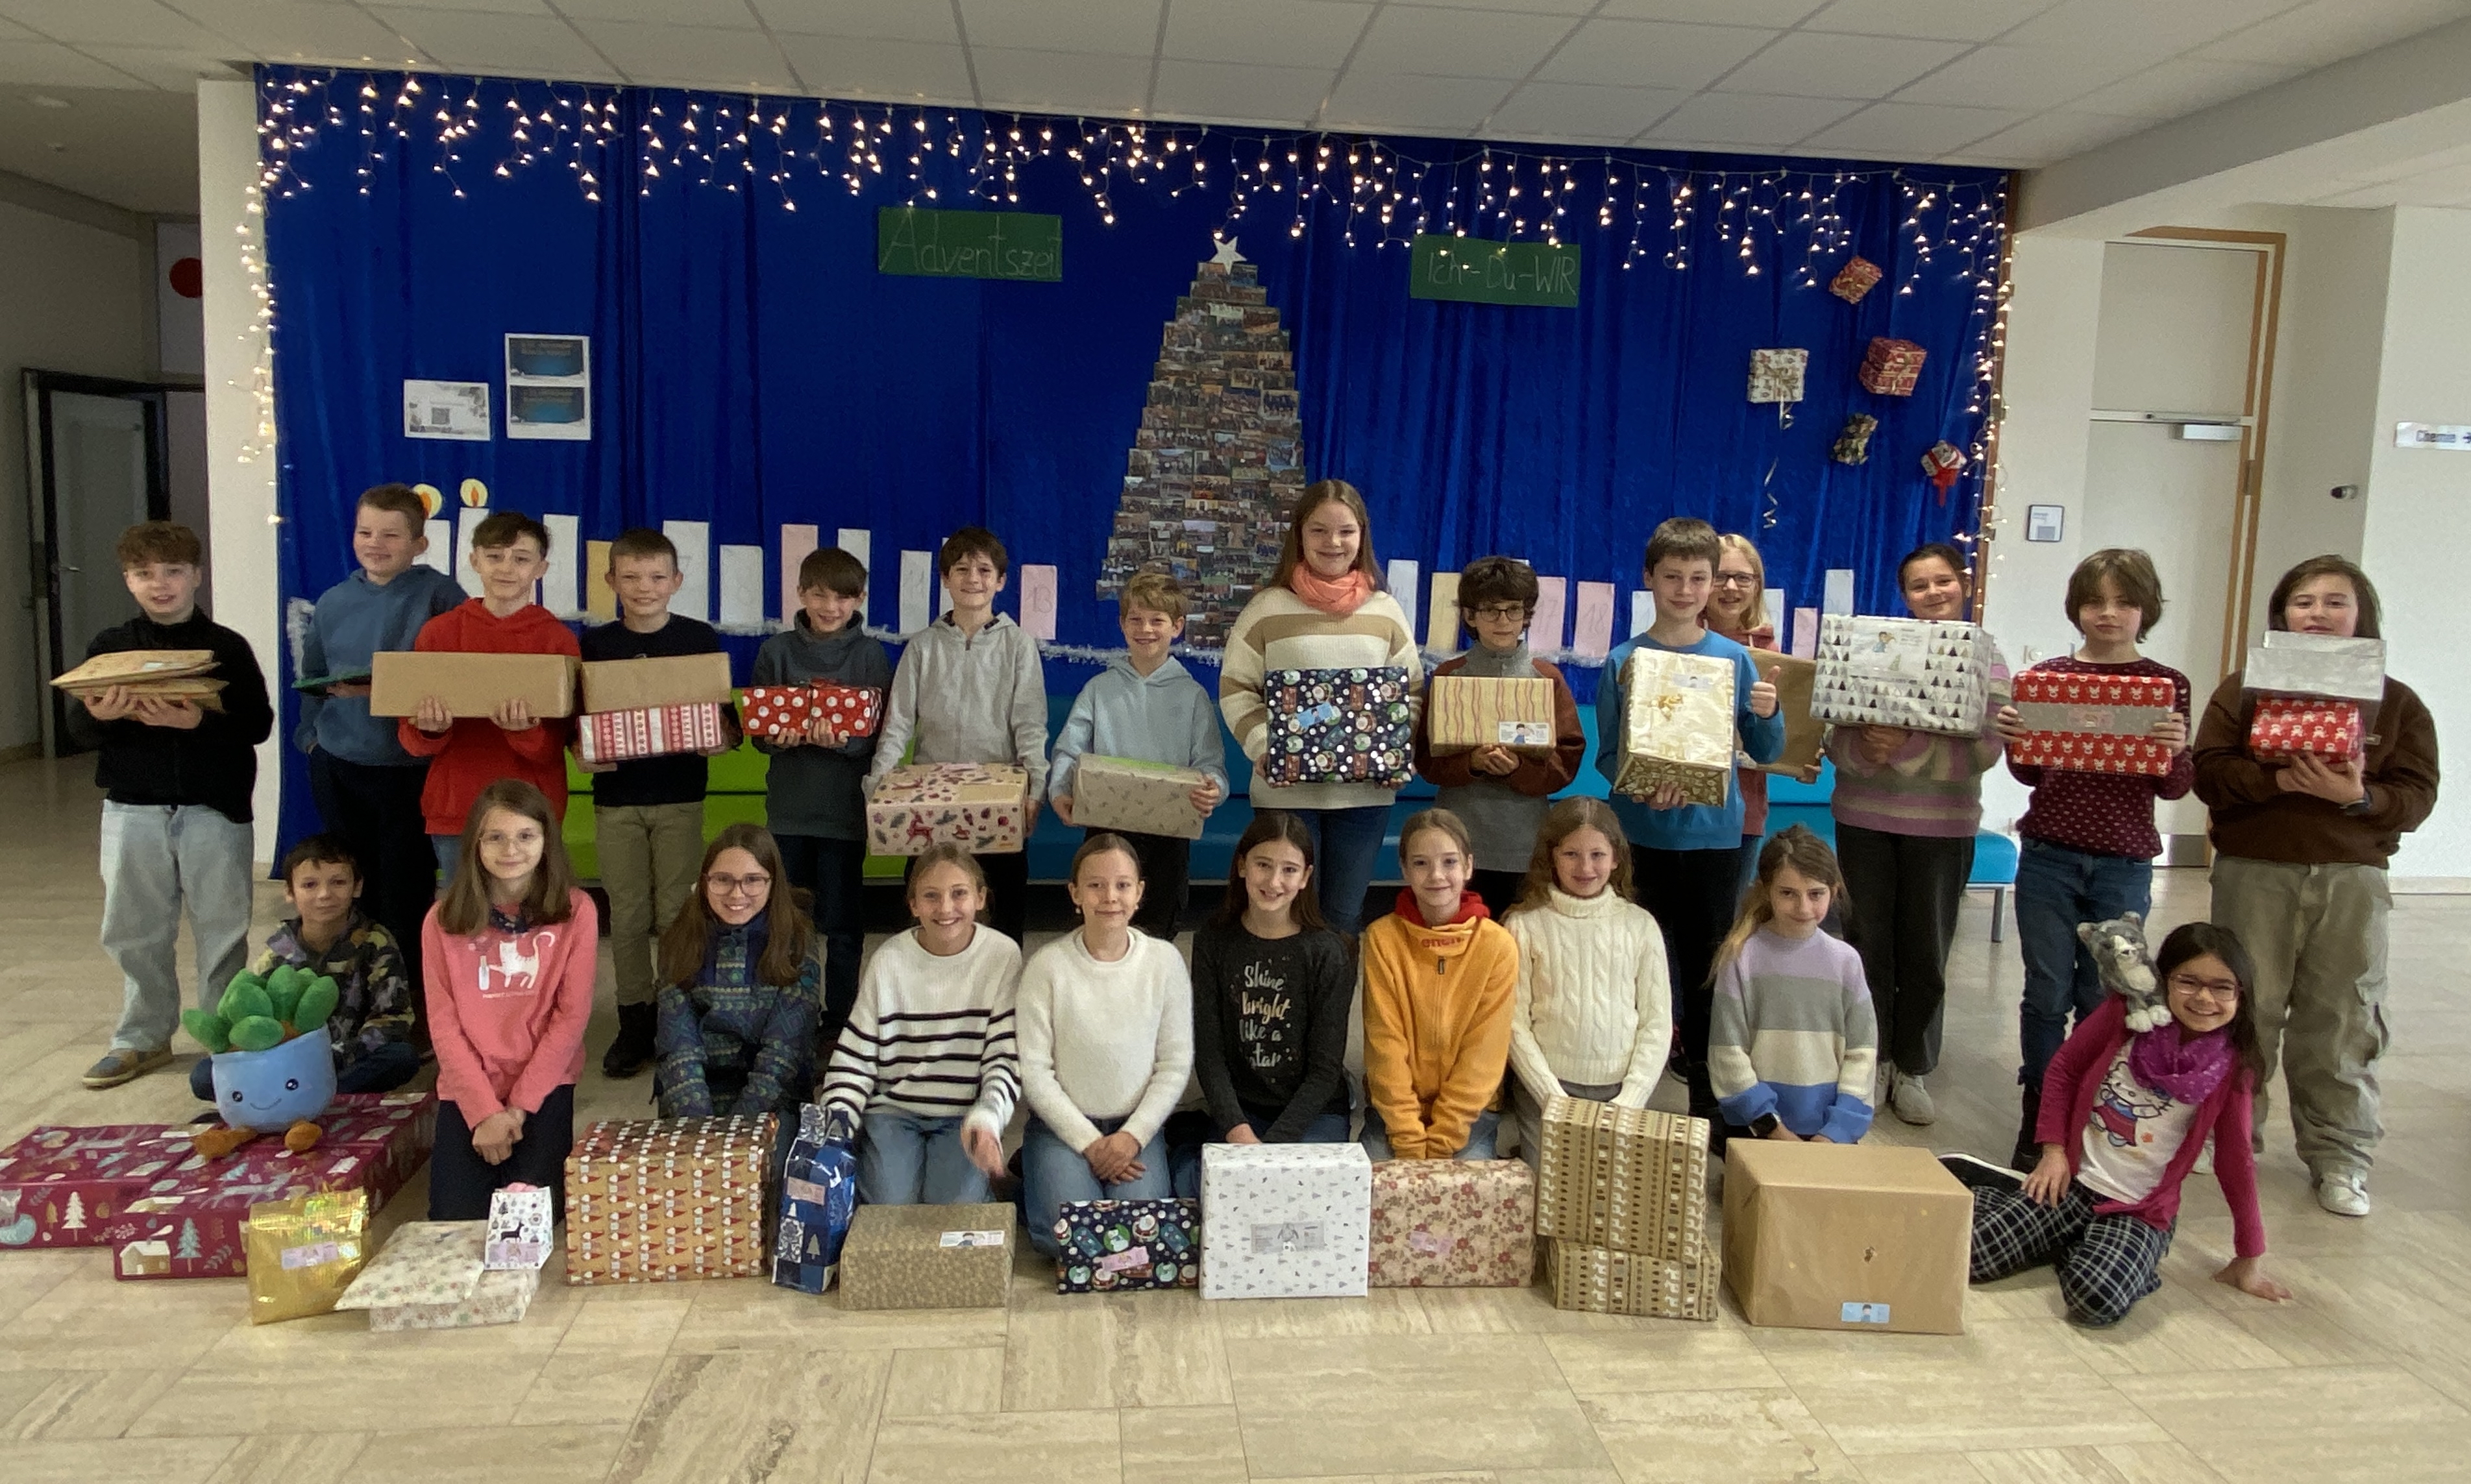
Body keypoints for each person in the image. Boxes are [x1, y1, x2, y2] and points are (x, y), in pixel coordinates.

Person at [2192, 555, 2439, 1217]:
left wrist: (2359, 796)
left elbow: (2418, 795)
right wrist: (2276, 781)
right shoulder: (2244, 690)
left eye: (2335, 602)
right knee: (2245, 1008)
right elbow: (2207, 772)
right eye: (2303, 602)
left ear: (2362, 616)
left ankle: (2339, 1156)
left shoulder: (2397, 700)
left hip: (2352, 878)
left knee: (2343, 1017)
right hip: (2255, 869)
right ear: (2282, 615)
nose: (2318, 614)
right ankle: (2230, 1135)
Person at [1967, 922, 2291, 1328]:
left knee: (2096, 1300)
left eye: (2222, 987)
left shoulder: (2233, 1068)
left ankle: (2079, 1243)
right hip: (2070, 1181)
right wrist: (2052, 1151)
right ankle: (2016, 1204)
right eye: (2188, 982)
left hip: (2137, 1211)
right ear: (2162, 979)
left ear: (2241, 995)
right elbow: (2064, 1070)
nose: (2204, 998)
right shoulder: (2127, 1015)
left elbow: (2235, 1159)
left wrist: (2249, 1254)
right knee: (1969, 1255)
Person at [1991, 548, 2194, 1170]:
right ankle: (2039, 1118)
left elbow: (2173, 786)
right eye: (2094, 601)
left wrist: (2175, 749)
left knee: (2105, 995)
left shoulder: (2165, 684)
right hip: (2048, 856)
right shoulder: (2047, 677)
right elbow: (2031, 773)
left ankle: (2088, 1114)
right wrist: (2015, 740)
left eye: (2124, 602)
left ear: (2146, 609)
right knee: (2045, 991)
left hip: (2123, 863)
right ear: (2075, 607)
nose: (2108, 613)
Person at [1595, 517, 1784, 1128]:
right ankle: (1627, 1092)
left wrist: (1768, 712)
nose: (1684, 590)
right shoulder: (1623, 660)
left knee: (1708, 969)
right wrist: (1641, 788)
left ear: (1711, 583)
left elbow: (1767, 747)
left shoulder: (1733, 658)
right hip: (1639, 837)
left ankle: (1709, 1099)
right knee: (1638, 966)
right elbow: (1607, 755)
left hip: (1714, 839)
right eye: (1672, 576)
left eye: (1697, 578)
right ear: (1648, 578)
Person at [72, 520, 275, 1089]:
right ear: (128, 580)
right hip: (133, 807)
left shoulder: (226, 647)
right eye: (145, 574)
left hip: (214, 808)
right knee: (132, 928)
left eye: (173, 572)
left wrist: (199, 723)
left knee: (222, 928)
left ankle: (223, 1034)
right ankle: (142, 1036)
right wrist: (100, 716)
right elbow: (77, 728)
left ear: (196, 576)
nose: (160, 584)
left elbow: (258, 724)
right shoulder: (109, 647)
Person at [1825, 541, 2010, 1128]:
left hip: (1942, 824)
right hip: (1863, 818)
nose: (1932, 593)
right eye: (1918, 585)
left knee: (1926, 950)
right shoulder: (1870, 648)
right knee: (1865, 944)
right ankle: (1871, 1058)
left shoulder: (1987, 658)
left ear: (1963, 584)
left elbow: (1987, 747)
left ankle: (1913, 1065)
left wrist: (1904, 749)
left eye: (1942, 581)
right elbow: (1832, 730)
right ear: (1903, 595)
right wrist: (1865, 748)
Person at [1219, 480, 1424, 936]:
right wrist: (1265, 746)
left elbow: (1410, 693)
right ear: (1300, 534)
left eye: (1346, 531)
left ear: (1362, 536)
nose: (1333, 542)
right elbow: (1236, 689)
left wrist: (1392, 748)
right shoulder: (1266, 609)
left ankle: (1334, 989)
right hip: (1285, 794)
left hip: (1365, 796)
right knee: (1286, 915)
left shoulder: (1386, 611)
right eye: (1319, 530)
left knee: (1343, 918)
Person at [293, 482, 465, 995]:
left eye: (391, 534)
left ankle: (407, 1001)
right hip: (340, 764)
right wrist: (311, 739)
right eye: (365, 532)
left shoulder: (441, 595)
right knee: (351, 886)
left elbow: (456, 675)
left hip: (410, 770)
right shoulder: (333, 600)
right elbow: (313, 676)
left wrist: (389, 690)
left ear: (419, 543)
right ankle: (354, 995)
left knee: (405, 892)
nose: (375, 543)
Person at [583, 528, 739, 1079]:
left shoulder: (698, 638)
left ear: (676, 581)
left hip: (680, 796)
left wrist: (720, 739)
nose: (643, 587)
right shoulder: (595, 645)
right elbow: (579, 723)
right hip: (616, 799)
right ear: (611, 581)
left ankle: (678, 1014)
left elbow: (727, 725)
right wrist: (582, 751)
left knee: (678, 910)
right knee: (627, 913)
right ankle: (634, 1018)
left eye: (655, 576)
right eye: (630, 576)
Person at [421, 780, 596, 1221]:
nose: (510, 849)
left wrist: (517, 1109)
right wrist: (484, 1113)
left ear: (546, 841)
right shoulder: (442, 920)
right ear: (475, 845)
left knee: (532, 1217)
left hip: (543, 1083)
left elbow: (570, 1018)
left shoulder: (577, 910)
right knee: (454, 1218)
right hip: (470, 1085)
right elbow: (444, 1026)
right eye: (495, 837)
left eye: (525, 836)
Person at [867, 526, 1048, 942]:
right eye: (962, 569)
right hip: (929, 805)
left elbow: (1030, 725)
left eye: (984, 570)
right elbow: (897, 725)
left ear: (1001, 581)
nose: (973, 579)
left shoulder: (1018, 646)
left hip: (997, 803)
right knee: (931, 917)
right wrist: (877, 787)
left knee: (1002, 921)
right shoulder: (922, 647)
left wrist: (1035, 789)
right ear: (945, 579)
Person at [1015, 834, 1192, 1256]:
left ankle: (1060, 1175)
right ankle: (1034, 1173)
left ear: (1139, 892)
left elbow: (1174, 1063)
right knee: (1068, 1241)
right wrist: (1090, 1144)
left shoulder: (1164, 961)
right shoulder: (1047, 966)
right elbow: (1035, 1072)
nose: (1110, 897)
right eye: (1095, 885)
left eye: (1122, 885)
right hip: (1063, 1129)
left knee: (1138, 1236)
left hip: (1135, 1129)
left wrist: (1133, 1136)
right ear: (1075, 893)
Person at [818, 845, 1021, 1205]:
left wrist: (989, 1117)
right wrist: (837, 1126)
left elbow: (1004, 1056)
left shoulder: (1002, 955)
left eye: (959, 894)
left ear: (980, 898)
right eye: (931, 896)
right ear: (913, 905)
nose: (945, 908)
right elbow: (856, 1056)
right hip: (894, 1111)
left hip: (963, 1114)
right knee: (888, 1208)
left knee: (952, 1213)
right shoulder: (889, 960)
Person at [752, 545, 891, 1051]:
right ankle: (789, 1016)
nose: (830, 606)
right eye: (818, 595)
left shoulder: (870, 656)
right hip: (788, 814)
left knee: (844, 925)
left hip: (843, 816)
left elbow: (879, 734)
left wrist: (844, 743)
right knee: (788, 922)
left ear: (860, 599)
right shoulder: (776, 652)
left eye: (842, 597)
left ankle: (840, 1021)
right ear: (800, 593)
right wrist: (778, 739)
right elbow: (759, 729)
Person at [399, 511, 582, 879]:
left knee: (531, 910)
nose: (506, 568)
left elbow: (558, 743)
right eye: (495, 556)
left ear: (541, 568)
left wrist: (524, 732)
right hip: (457, 808)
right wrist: (431, 729)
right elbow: (411, 739)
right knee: (464, 910)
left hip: (531, 810)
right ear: (474, 560)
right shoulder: (439, 634)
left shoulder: (558, 641)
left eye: (521, 558)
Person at [1048, 570, 1229, 939]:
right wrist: (1060, 790)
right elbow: (1070, 748)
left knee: (1159, 927)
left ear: (1177, 626)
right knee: (1102, 922)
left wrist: (1214, 788)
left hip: (1169, 834)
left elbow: (1211, 764)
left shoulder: (1193, 696)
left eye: (1157, 620)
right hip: (1106, 827)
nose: (1145, 629)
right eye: (1136, 619)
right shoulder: (1099, 690)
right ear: (1122, 624)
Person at [1410, 556, 1586, 919]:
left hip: (1523, 838)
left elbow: (1568, 758)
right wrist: (1471, 763)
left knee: (1518, 936)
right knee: (1458, 933)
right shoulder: (1448, 676)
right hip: (1458, 836)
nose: (1503, 621)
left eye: (1513, 610)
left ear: (1527, 615)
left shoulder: (1546, 678)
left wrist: (1518, 769)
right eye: (1491, 610)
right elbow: (1425, 758)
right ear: (1470, 616)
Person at [189, 834, 419, 1105]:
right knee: (203, 1075)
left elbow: (393, 1018)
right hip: (284, 1060)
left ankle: (300, 1099)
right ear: (290, 892)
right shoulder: (279, 949)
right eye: (310, 885)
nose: (324, 895)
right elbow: (254, 1013)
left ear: (357, 887)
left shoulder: (376, 942)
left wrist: (335, 1054)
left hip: (344, 1059)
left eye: (338, 883)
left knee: (401, 1057)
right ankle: (303, 1097)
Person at [1501, 797, 1671, 1162]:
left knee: (1608, 1192)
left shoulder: (1640, 926)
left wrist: (1631, 1098)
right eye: (1571, 855)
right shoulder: (1524, 926)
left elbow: (1657, 1023)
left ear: (1616, 858)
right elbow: (1513, 1023)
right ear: (1551, 857)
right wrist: (1551, 1096)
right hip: (1545, 1090)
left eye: (1597, 855)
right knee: (1548, 1188)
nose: (1585, 868)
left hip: (1621, 1092)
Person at [1360, 809, 1517, 1161]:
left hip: (1470, 1115)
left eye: (1449, 862)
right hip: (1395, 1112)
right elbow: (1384, 1045)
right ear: (1404, 869)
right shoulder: (1382, 939)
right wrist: (1408, 1139)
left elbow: (1484, 1053)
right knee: (1372, 1188)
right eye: (1421, 863)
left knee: (1465, 1193)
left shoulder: (1497, 945)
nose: (1436, 876)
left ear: (1469, 867)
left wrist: (1444, 1138)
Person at [1190, 810, 1354, 1147]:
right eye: (1263, 865)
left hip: (1313, 1113)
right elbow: (1209, 1053)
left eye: (1289, 870)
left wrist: (1274, 1147)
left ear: (1306, 876)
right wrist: (1236, 1128)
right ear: (1242, 866)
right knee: (1201, 1177)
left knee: (1303, 1180)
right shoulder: (1213, 940)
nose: (1274, 881)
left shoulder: (1328, 951)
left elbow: (1325, 1069)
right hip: (1242, 1111)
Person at [1707, 826, 1876, 1147]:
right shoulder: (1742, 957)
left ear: (1834, 891)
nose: (1803, 908)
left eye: (1816, 894)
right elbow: (1727, 1053)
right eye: (1788, 893)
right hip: (1757, 1132)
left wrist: (1836, 1132)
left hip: (1829, 1138)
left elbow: (1862, 1054)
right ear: (1766, 891)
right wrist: (1772, 1128)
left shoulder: (1846, 962)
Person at [652, 825, 821, 1123]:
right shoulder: (679, 938)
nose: (736, 893)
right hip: (695, 1095)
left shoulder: (796, 942)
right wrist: (701, 1127)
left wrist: (737, 1129)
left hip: (773, 1099)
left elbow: (783, 1055)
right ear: (705, 881)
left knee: (769, 1153)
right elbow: (678, 1048)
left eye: (753, 880)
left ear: (773, 883)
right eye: (722, 880)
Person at [1705, 531, 1782, 905]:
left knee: (1727, 921)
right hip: (1677, 806)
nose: (1731, 587)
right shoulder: (1674, 643)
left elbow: (1781, 741)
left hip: (1743, 809)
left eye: (1743, 578)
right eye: (1720, 576)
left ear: (1757, 586)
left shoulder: (1771, 653)